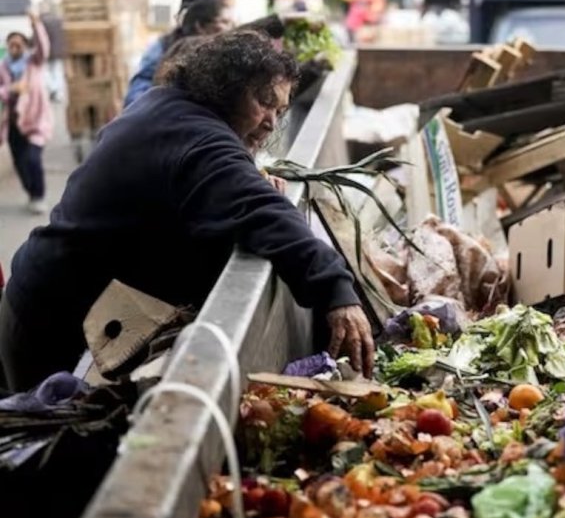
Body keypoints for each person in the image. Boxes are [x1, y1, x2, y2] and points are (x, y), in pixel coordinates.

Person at [0, 30, 374, 392]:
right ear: (226, 87)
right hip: (49, 326)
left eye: (279, 109)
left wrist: (247, 172)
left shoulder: (166, 105)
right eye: (263, 101)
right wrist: (336, 290)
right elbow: (262, 212)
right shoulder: (198, 138)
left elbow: (220, 182)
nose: (271, 122)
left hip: (44, 299)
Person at [123, 0, 233, 108]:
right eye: (223, 22)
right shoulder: (162, 48)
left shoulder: (221, 52)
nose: (228, 28)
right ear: (200, 25)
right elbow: (136, 97)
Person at [0, 11, 52, 215]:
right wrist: (10, 89)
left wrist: (36, 24)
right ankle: (31, 192)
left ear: (24, 45)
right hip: (13, 122)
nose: (15, 47)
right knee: (20, 163)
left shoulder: (34, 63)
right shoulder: (3, 67)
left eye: (18, 44)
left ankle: (39, 196)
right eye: (11, 44)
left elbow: (44, 47)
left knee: (32, 158)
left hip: (36, 120)